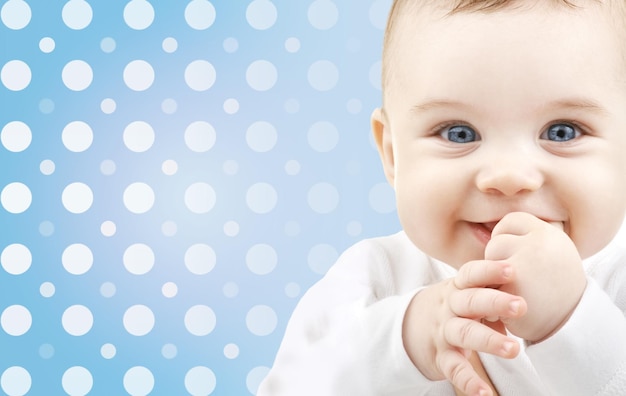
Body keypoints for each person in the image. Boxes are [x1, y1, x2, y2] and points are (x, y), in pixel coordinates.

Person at [257, 0, 626, 394]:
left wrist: (572, 320)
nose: (507, 177)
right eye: (459, 133)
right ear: (393, 155)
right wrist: (406, 340)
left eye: (562, 132)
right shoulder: (376, 277)